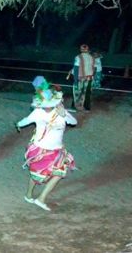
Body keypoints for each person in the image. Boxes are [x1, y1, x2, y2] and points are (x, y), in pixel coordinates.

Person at [16, 77, 77, 211]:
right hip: (41, 150)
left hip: (56, 151)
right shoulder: (37, 113)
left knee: (59, 173)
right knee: (36, 176)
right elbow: (26, 120)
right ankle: (28, 195)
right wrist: (18, 124)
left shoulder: (61, 113)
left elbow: (73, 122)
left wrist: (65, 115)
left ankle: (41, 199)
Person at [66, 44, 95, 112]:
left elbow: (76, 68)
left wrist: (75, 80)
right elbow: (94, 68)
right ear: (88, 50)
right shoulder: (92, 57)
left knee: (76, 93)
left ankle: (75, 107)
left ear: (81, 50)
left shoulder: (78, 57)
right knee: (86, 93)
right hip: (89, 78)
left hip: (80, 78)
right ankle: (86, 108)